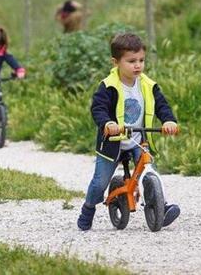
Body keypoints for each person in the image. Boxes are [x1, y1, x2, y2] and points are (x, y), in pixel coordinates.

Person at [76, 33, 180, 231]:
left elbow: (162, 105)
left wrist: (168, 120)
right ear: (116, 62)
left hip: (138, 140)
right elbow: (98, 108)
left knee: (150, 170)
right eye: (131, 61)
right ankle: (88, 208)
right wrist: (107, 123)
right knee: (100, 183)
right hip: (112, 143)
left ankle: (161, 206)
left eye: (141, 60)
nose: (137, 65)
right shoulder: (108, 86)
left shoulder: (148, 85)